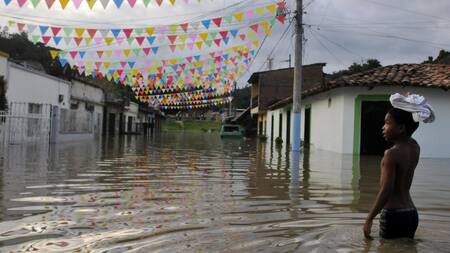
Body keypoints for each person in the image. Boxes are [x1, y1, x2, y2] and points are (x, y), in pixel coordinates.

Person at [363, 93, 435, 239]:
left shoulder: (391, 154)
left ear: (401, 128)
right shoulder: (415, 147)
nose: (383, 127)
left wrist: (369, 218)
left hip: (393, 215)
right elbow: (410, 132)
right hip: (411, 214)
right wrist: (409, 107)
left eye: (388, 123)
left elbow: (386, 191)